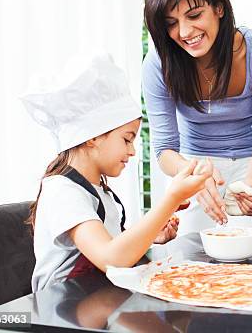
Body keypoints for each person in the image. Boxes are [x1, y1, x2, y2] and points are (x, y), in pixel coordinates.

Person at [21, 54, 212, 291]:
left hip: (97, 296)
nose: (132, 151)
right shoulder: (63, 190)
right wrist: (171, 199)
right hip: (62, 308)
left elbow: (111, 244)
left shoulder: (97, 188)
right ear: (92, 136)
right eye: (127, 139)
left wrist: (150, 236)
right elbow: (110, 259)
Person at [142, 0, 252, 236]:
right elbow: (164, 149)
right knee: (190, 266)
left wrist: (250, 185)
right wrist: (194, 174)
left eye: (194, 15)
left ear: (218, 8)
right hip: (192, 168)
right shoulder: (158, 64)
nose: (184, 33)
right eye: (171, 24)